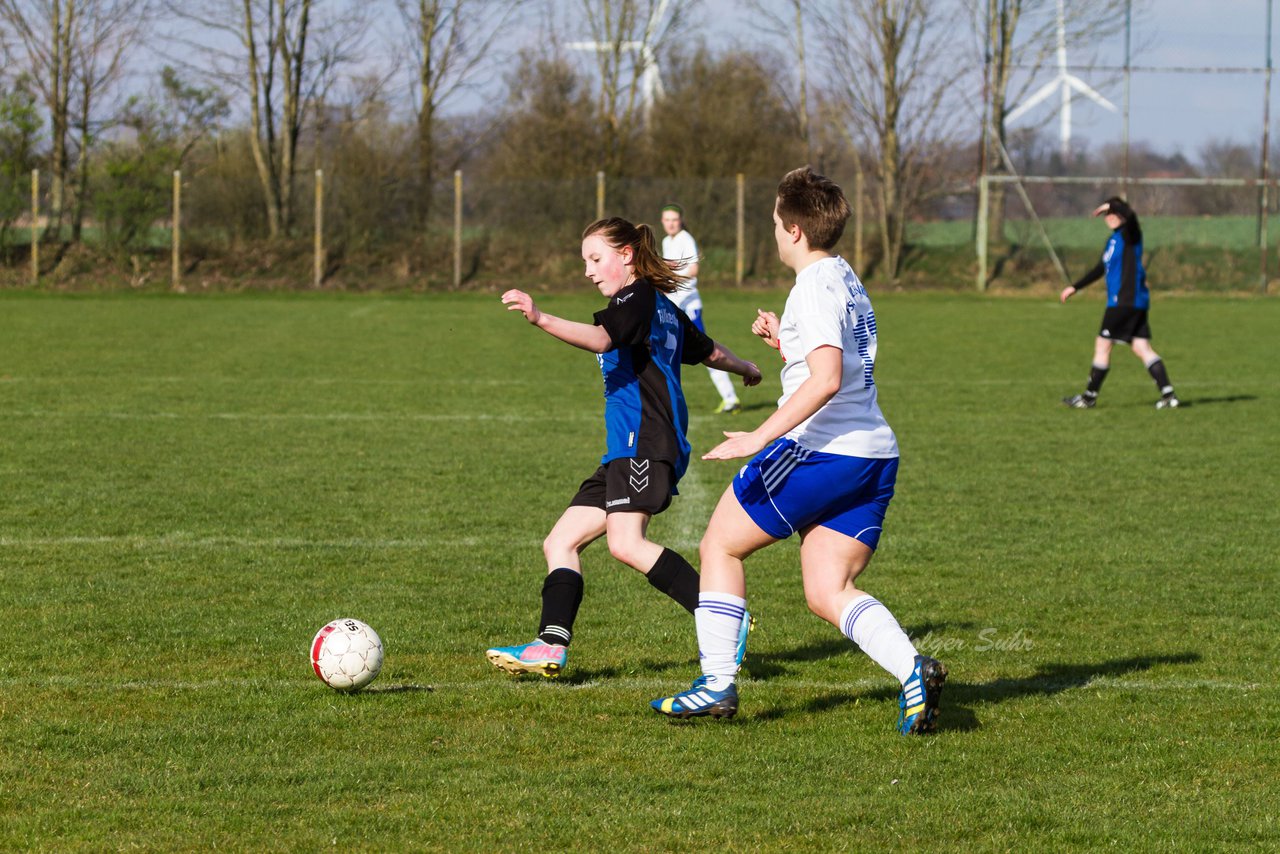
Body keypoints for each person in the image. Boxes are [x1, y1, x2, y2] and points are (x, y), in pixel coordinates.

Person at [649, 168, 947, 735]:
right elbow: (837, 361)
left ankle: (715, 685)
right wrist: (787, 343)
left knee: (719, 546)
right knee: (827, 588)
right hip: (873, 455)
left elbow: (828, 377)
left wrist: (761, 437)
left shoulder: (809, 287)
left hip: (818, 451)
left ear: (792, 231)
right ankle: (913, 668)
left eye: (773, 224)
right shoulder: (843, 276)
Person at [487, 217, 762, 679]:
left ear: (627, 255)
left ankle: (722, 619)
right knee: (560, 541)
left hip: (646, 441)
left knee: (626, 542)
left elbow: (600, 337)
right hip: (623, 450)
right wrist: (745, 366)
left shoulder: (636, 297)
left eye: (596, 259)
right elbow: (709, 350)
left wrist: (539, 317)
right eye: (585, 262)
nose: (589, 271)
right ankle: (550, 644)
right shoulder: (663, 307)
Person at [1061, 197, 1180, 409]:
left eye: (1114, 213)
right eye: (1108, 214)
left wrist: (1111, 205)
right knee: (1142, 347)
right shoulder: (1113, 240)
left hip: (1124, 302)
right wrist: (1075, 287)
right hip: (1133, 303)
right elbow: (1101, 268)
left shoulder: (1130, 234)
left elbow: (1131, 215)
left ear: (1122, 215)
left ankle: (1088, 398)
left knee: (1103, 345)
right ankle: (1169, 395)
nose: (1111, 217)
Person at [660, 204, 742, 414]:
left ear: (681, 220)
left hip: (688, 306)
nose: (671, 223)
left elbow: (694, 269)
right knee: (667, 348)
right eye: (667, 219)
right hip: (673, 304)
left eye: (674, 219)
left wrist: (671, 279)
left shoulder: (686, 239)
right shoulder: (666, 241)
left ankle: (730, 397)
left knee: (707, 351)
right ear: (662, 221)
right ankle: (665, 399)